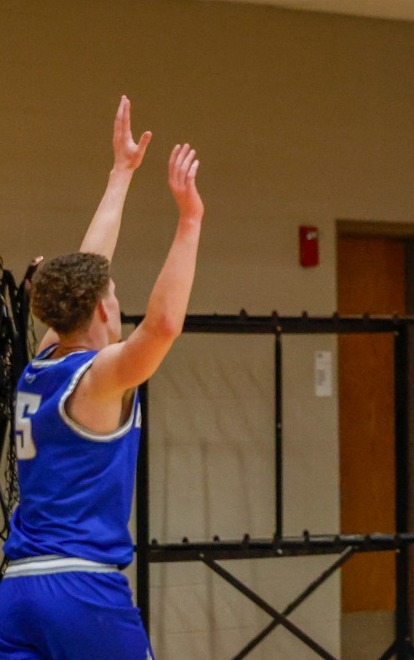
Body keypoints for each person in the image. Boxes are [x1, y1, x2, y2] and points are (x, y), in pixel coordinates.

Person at [0, 97, 204, 659]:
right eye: (112, 295)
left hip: (17, 591)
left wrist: (121, 174)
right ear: (102, 313)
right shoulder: (99, 378)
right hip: (81, 590)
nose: (118, 300)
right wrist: (190, 220)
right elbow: (163, 325)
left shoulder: (42, 363)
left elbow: (87, 267)